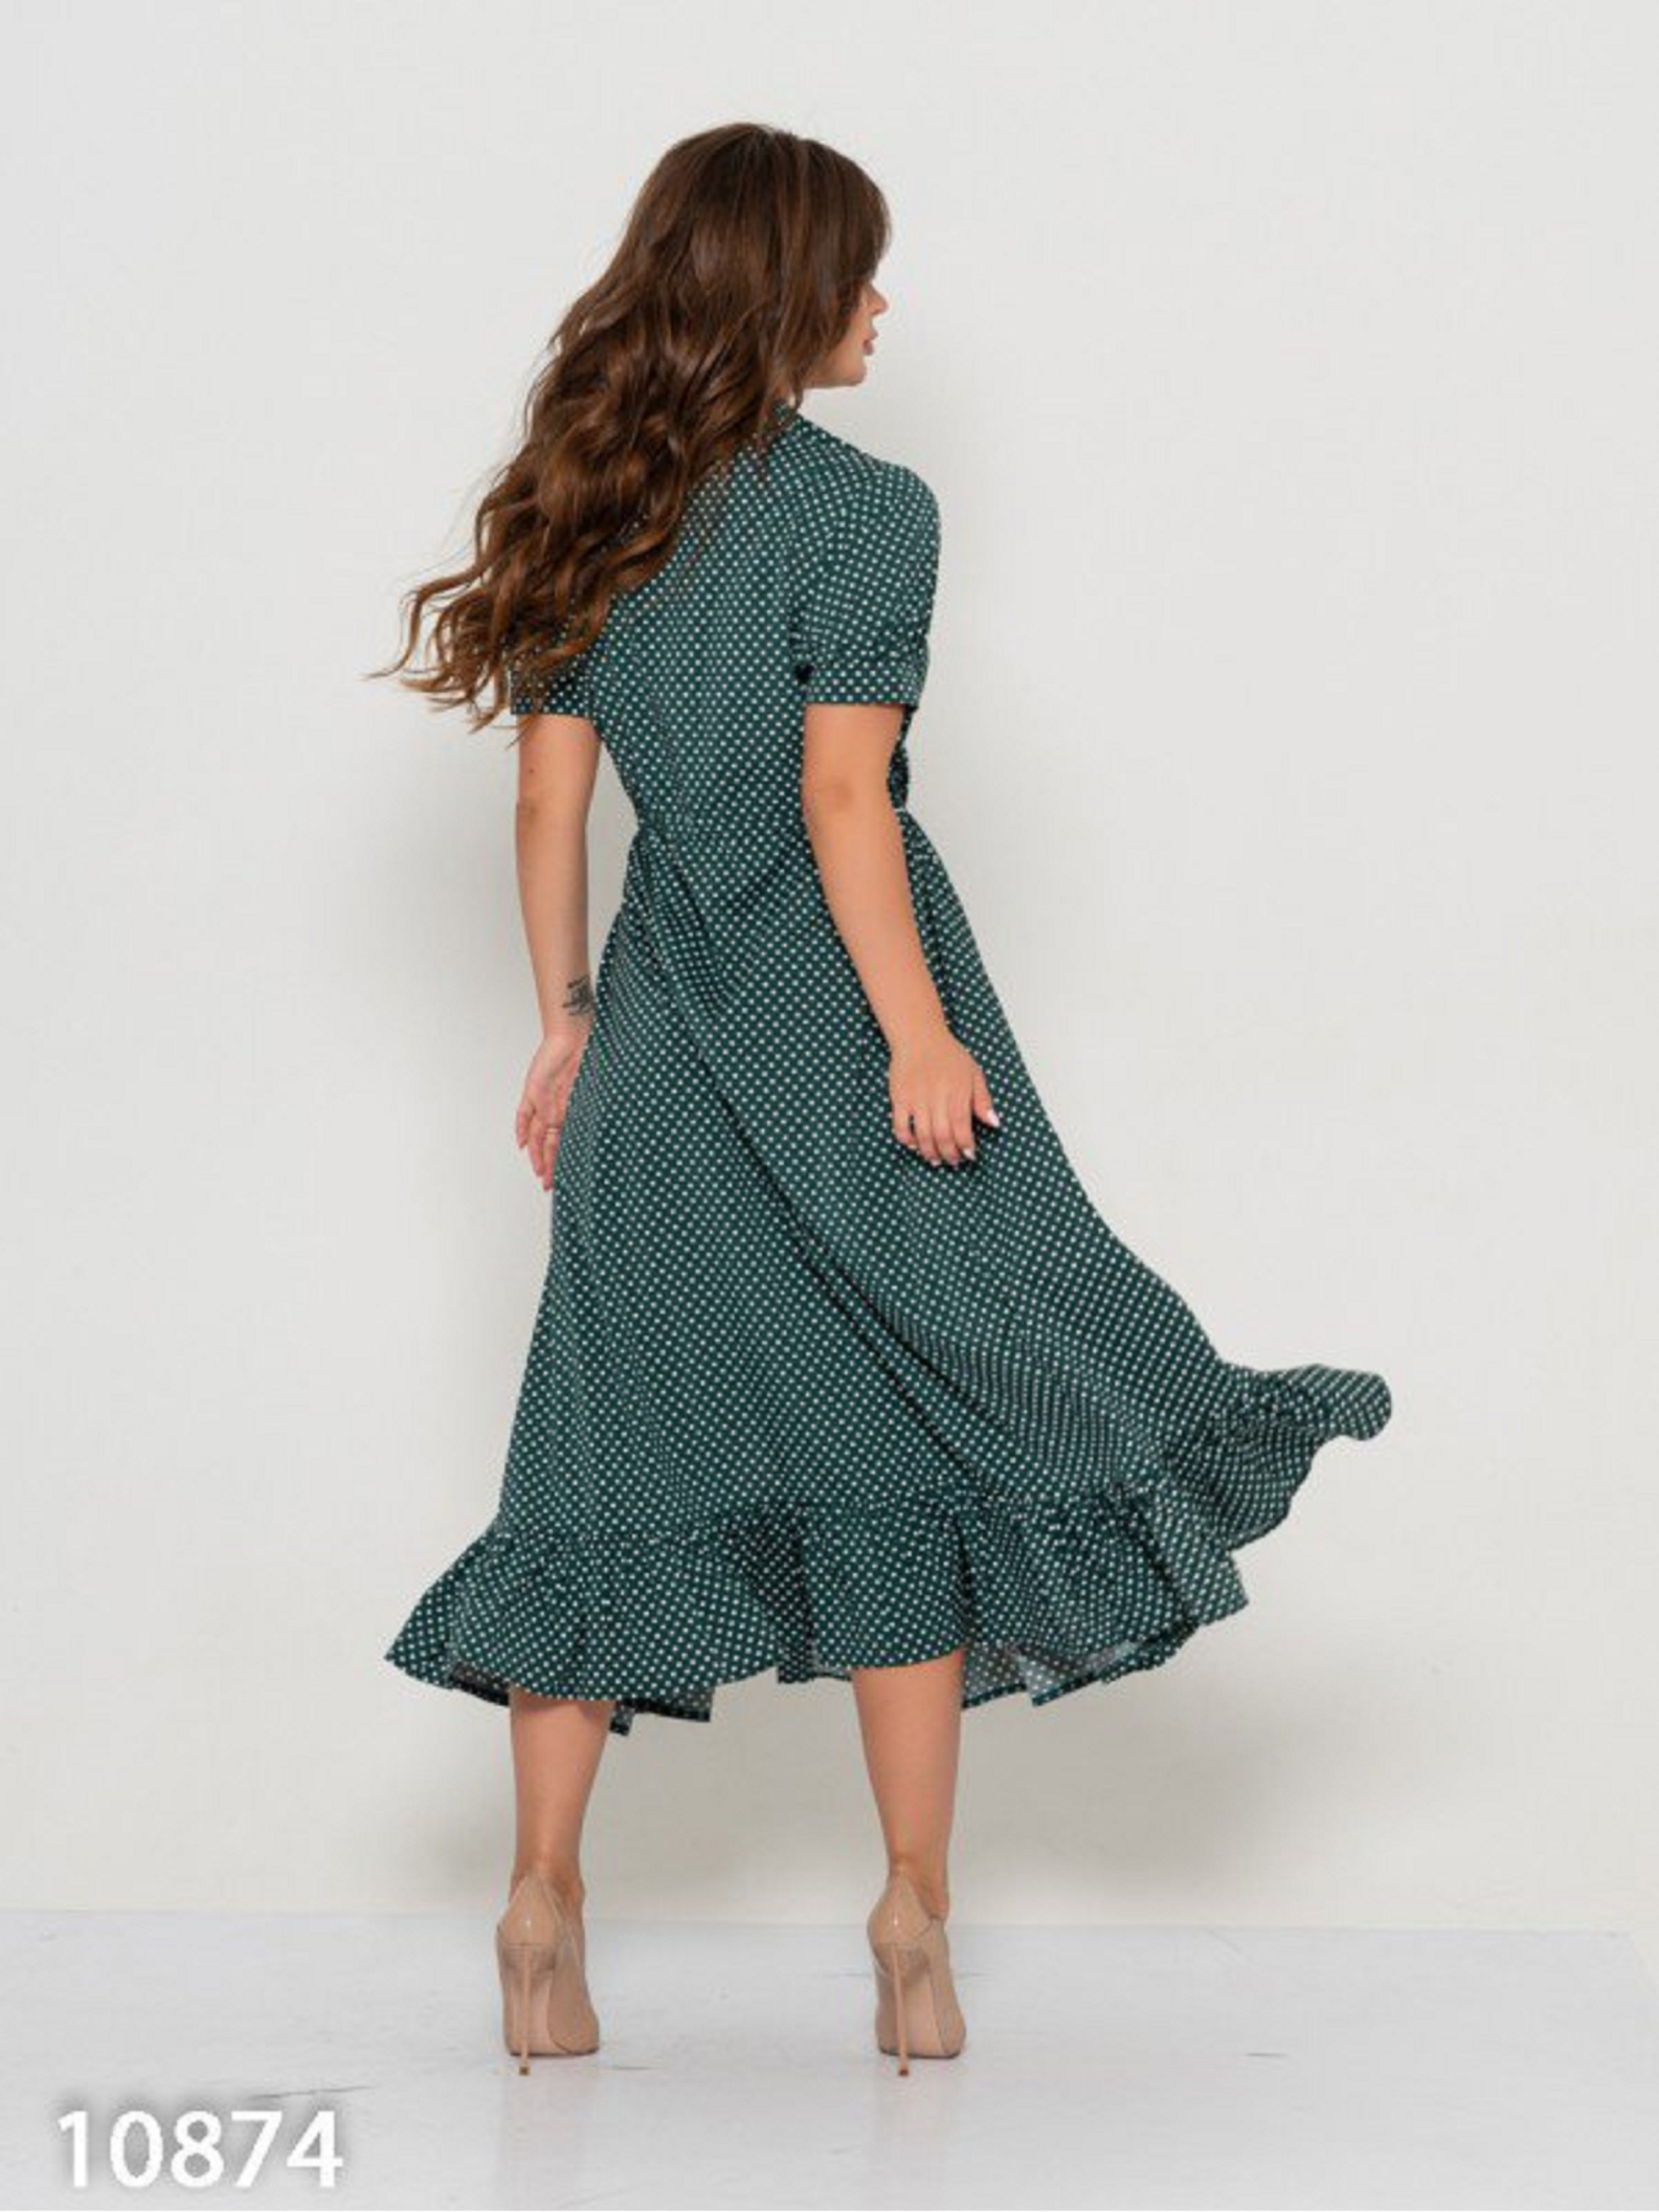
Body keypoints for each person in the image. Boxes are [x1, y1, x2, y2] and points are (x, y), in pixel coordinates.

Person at [377, 121, 1393, 2078]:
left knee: (597, 1463)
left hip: (657, 1035)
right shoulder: (864, 512)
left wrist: (566, 1022)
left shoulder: (588, 499)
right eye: (857, 270)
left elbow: (546, 804)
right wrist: (919, 1039)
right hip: (839, 1029)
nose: (878, 306)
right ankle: (914, 1914)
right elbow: (842, 799)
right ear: (784, 291)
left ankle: (539, 1901)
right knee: (905, 1454)